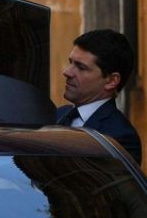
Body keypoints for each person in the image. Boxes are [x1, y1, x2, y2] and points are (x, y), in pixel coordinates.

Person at [57, 28, 142, 164]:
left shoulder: (119, 137)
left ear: (111, 81)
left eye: (81, 67)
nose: (67, 72)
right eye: (71, 62)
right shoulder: (57, 115)